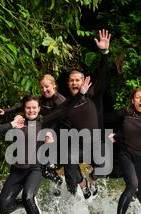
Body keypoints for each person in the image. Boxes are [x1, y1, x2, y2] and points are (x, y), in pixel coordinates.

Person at [44, 29, 111, 199]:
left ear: (83, 82)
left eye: (78, 80)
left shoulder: (93, 95)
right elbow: (48, 120)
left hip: (96, 144)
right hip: (78, 146)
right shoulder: (65, 105)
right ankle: (83, 184)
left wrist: (104, 53)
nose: (75, 83)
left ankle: (93, 180)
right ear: (68, 84)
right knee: (67, 158)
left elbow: (102, 76)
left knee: (105, 166)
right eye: (72, 80)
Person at [0, 95, 54, 214]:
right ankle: (26, 205)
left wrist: (50, 140)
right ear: (24, 109)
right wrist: (10, 123)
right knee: (2, 207)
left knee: (27, 196)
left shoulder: (43, 124)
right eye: (28, 107)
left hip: (34, 170)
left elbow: (53, 133)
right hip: (16, 171)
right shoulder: (18, 123)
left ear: (39, 108)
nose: (31, 110)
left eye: (34, 107)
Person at [0, 75, 66, 196]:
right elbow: (22, 105)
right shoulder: (41, 100)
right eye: (41, 87)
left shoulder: (60, 101)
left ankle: (57, 181)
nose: (44, 89)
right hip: (43, 133)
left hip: (57, 134)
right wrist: (5, 111)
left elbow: (65, 121)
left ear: (54, 85)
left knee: (44, 166)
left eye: (46, 86)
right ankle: (29, 186)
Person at [108, 88, 141, 214]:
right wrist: (110, 135)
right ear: (133, 100)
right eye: (138, 97)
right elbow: (104, 118)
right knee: (132, 184)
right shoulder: (124, 113)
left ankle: (135, 195)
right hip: (126, 154)